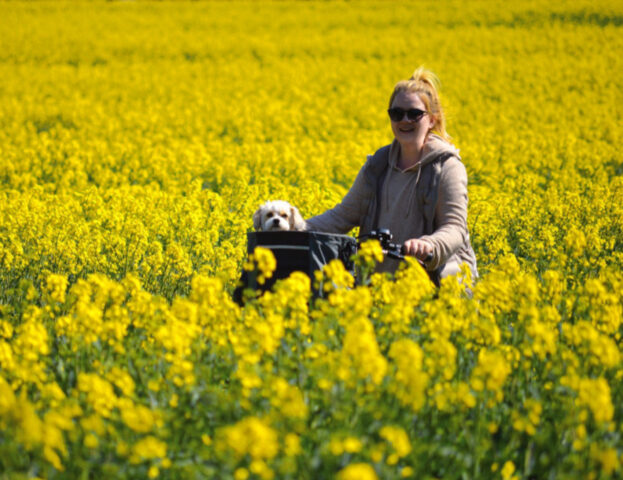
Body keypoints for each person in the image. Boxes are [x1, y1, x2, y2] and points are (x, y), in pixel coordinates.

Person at [305, 67, 478, 285]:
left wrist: (429, 245)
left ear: (432, 120)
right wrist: (293, 227)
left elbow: (454, 228)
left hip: (438, 290)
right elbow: (341, 217)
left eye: (414, 114)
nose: (405, 120)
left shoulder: (446, 166)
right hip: (381, 289)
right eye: (397, 114)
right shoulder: (378, 165)